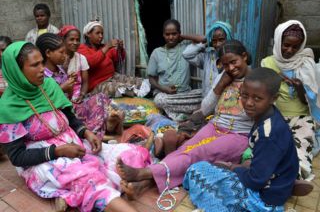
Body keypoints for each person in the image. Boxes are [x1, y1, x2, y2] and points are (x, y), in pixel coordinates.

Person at [0, 41, 151, 212]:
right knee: (88, 178)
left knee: (130, 153)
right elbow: (17, 157)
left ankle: (74, 194)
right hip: (43, 159)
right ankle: (107, 193)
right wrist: (57, 151)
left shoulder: (48, 86)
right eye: (35, 65)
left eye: (42, 62)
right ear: (16, 71)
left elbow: (70, 118)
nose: (42, 68)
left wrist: (86, 133)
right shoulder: (8, 106)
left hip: (73, 144)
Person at [117, 39, 253, 199]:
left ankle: (144, 173)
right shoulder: (224, 77)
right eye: (225, 65)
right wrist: (220, 86)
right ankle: (145, 184)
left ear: (244, 57)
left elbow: (257, 113)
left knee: (199, 152)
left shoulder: (256, 80)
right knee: (185, 148)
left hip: (238, 135)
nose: (231, 68)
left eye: (234, 62)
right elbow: (205, 108)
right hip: (214, 126)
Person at [183, 67, 299, 211]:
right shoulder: (269, 116)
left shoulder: (268, 134)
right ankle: (284, 183)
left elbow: (255, 181)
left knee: (196, 171)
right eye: (244, 95)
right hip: (272, 180)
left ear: (274, 98)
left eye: (257, 98)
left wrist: (234, 169)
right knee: (209, 169)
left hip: (264, 198)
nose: (249, 103)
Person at [36, 32, 123, 138]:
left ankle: (106, 125)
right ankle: (97, 131)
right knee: (96, 107)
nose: (65, 55)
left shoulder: (60, 70)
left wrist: (70, 88)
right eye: (61, 52)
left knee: (101, 97)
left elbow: (69, 96)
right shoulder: (42, 75)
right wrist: (62, 88)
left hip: (70, 106)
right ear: (48, 53)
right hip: (59, 113)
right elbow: (45, 100)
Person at [261, 20, 318, 181]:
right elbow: (264, 94)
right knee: (271, 144)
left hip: (301, 116)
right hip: (275, 116)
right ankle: (269, 174)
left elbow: (310, 101)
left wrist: (300, 88)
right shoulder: (268, 63)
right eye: (286, 45)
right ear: (278, 41)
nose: (290, 50)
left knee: (302, 144)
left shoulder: (305, 62)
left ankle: (296, 177)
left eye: (295, 47)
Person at [147, 19, 203, 120]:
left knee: (203, 94)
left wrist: (184, 37)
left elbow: (203, 39)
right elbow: (151, 79)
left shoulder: (186, 49)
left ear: (179, 34)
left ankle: (174, 113)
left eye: (174, 34)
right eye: (167, 34)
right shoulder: (157, 52)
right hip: (166, 95)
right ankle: (183, 113)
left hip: (185, 94)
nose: (171, 37)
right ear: (163, 35)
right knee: (159, 100)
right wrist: (165, 89)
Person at [182, 21, 232, 97]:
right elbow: (186, 54)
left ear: (228, 38)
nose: (218, 44)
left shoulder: (234, 59)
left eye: (221, 40)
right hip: (206, 99)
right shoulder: (207, 57)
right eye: (214, 41)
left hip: (225, 102)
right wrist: (205, 42)